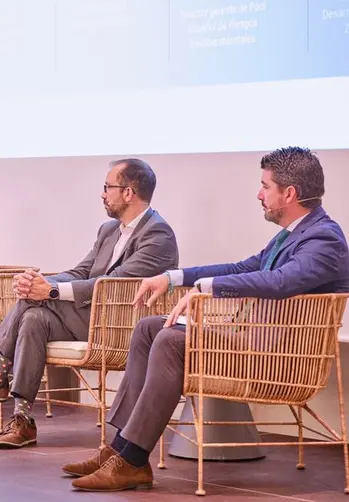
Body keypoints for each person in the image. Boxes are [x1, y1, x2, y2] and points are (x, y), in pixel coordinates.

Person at [64, 147, 349, 492]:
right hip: (257, 345)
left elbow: (281, 282)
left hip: (279, 359)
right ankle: (119, 447)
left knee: (171, 339)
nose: (259, 194)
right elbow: (242, 268)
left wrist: (205, 289)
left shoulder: (324, 238)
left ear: (289, 193)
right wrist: (173, 277)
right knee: (150, 327)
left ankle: (132, 460)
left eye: (265, 186)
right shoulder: (294, 233)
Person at [0, 158, 179, 448]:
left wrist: (50, 292)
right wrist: (42, 283)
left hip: (120, 324)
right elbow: (82, 271)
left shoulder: (158, 234)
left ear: (128, 193)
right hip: (87, 316)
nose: (103, 194)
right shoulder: (109, 230)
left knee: (36, 303)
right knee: (33, 318)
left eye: (108, 187)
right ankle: (23, 420)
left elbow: (111, 285)